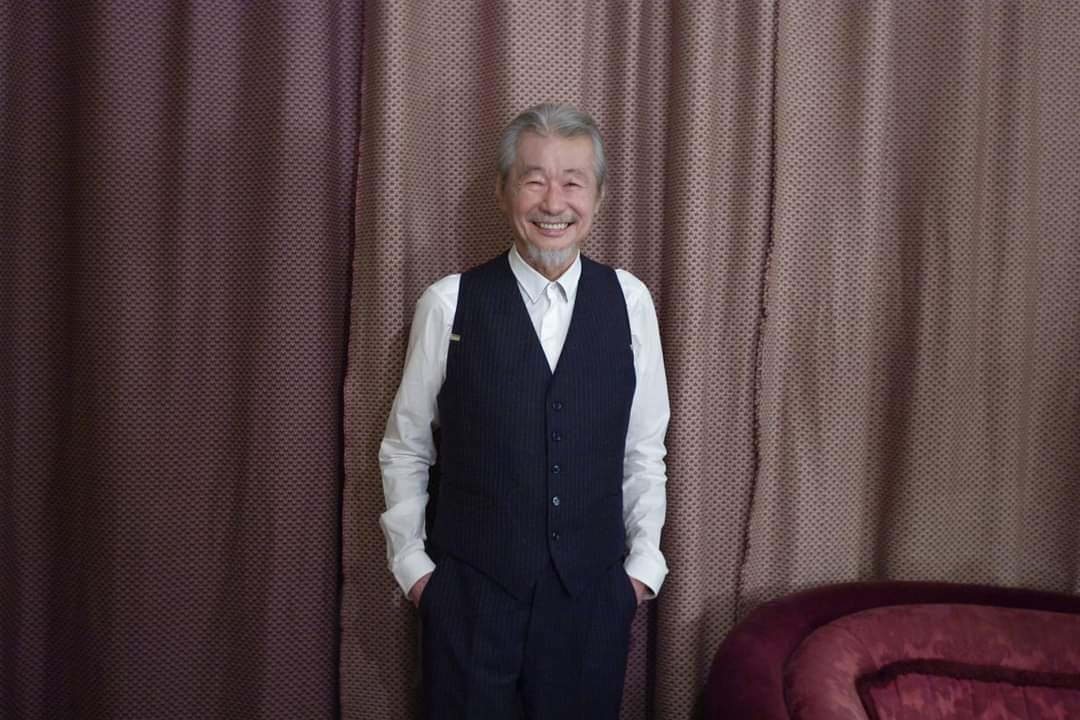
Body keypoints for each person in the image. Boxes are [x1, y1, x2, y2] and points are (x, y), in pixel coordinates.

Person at [378, 103, 669, 719]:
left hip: (592, 605)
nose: (553, 202)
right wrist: (415, 570)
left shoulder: (630, 302)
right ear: (504, 191)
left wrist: (642, 569)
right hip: (470, 603)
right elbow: (406, 447)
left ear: (599, 197)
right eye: (534, 180)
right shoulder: (448, 304)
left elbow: (643, 450)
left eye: (573, 182)